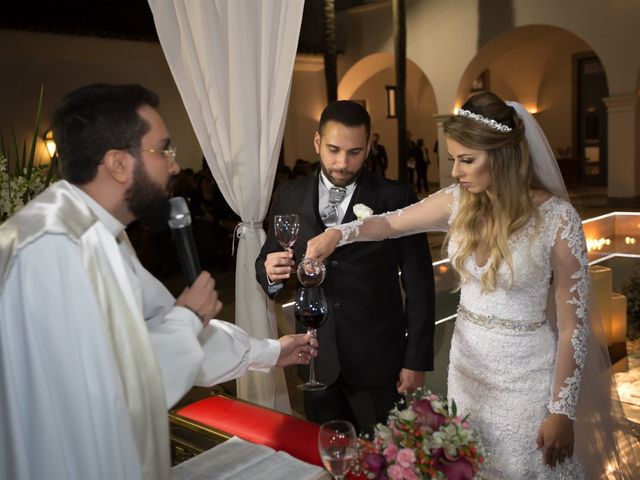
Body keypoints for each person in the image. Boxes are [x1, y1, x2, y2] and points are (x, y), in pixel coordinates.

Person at [306, 92, 639, 478]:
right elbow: (391, 222)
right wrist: (338, 235)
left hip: (526, 378)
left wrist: (561, 410)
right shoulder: (458, 201)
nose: (455, 171)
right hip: (466, 369)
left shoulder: (558, 221)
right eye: (453, 159)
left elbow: (573, 328)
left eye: (467, 160)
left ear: (502, 155)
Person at [0, 83, 316, 480]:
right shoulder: (53, 248)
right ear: (117, 164)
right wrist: (187, 319)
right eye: (163, 149)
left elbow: (159, 321)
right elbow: (113, 388)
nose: (173, 166)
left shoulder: (101, 232)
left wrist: (269, 351)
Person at [256, 100, 436, 434]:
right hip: (315, 359)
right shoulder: (289, 193)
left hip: (378, 361)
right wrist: (269, 270)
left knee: (385, 459)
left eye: (354, 152)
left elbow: (420, 283)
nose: (342, 162)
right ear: (317, 143)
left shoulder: (395, 196)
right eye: (334, 149)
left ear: (369, 146)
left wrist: (416, 360)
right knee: (324, 456)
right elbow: (269, 256)